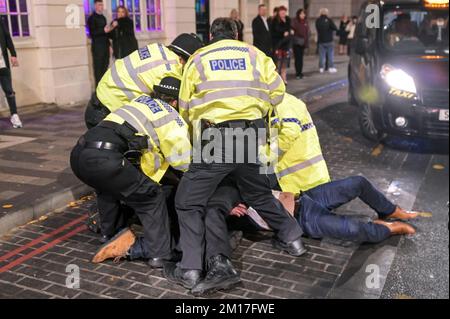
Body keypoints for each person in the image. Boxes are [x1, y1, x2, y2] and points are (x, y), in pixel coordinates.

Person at [164, 18, 305, 293]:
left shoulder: (198, 58)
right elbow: (278, 93)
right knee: (258, 193)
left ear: (211, 35)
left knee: (187, 200)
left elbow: (184, 106)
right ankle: (294, 239)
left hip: (215, 138)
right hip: (251, 135)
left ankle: (190, 269)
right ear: (236, 34)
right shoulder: (255, 55)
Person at [71, 76, 192, 268]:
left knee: (108, 188)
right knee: (152, 197)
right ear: (175, 101)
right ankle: (160, 254)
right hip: (107, 158)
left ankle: (110, 234)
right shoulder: (169, 114)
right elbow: (183, 161)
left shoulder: (139, 101)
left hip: (79, 153)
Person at [218, 176, 418, 247]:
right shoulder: (227, 210)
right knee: (354, 229)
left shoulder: (236, 179)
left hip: (306, 198)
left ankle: (390, 210)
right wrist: (227, 211)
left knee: (357, 183)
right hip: (303, 220)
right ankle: (389, 229)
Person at [85, 33, 203, 129]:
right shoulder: (171, 70)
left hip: (96, 101)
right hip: (108, 113)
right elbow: (169, 111)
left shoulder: (156, 48)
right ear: (184, 59)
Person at [0, 18, 21, 128]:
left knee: (9, 90)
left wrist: (13, 54)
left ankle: (14, 115)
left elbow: (7, 37)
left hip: (2, 63)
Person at [87, 0, 113, 86]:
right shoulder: (91, 18)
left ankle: (103, 90)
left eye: (102, 5)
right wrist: (103, 30)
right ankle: (98, 92)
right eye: (99, 5)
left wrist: (109, 46)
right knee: (98, 70)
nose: (101, 7)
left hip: (105, 47)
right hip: (97, 48)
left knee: (105, 68)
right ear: (95, 6)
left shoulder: (103, 18)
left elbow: (106, 34)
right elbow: (92, 33)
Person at [271, 6, 292, 84]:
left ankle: (284, 79)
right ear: (279, 13)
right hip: (278, 44)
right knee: (277, 63)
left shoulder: (288, 20)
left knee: (284, 63)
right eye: (281, 12)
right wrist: (283, 33)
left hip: (286, 45)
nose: (283, 14)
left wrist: (288, 32)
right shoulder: (275, 21)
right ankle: (276, 80)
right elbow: (274, 32)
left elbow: (289, 30)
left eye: (284, 12)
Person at [315, 8, 338, 74]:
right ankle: (330, 67)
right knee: (330, 55)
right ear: (326, 13)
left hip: (321, 40)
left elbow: (317, 29)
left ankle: (321, 68)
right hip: (329, 40)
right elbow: (335, 28)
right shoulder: (329, 20)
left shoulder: (318, 20)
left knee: (322, 55)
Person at [291, 9, 309, 79]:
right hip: (297, 43)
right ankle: (297, 73)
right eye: (301, 14)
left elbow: (307, 32)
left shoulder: (305, 22)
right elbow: (294, 31)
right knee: (297, 59)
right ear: (298, 14)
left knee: (301, 59)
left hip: (303, 43)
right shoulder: (295, 21)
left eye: (304, 14)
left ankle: (300, 72)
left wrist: (306, 43)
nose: (303, 15)